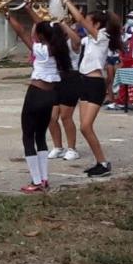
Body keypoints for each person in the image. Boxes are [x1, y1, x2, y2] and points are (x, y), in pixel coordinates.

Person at [6, 6, 71, 192]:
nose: (34, 31)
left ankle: (35, 181)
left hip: (36, 93)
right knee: (40, 136)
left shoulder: (40, 49)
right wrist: (28, 8)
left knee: (27, 136)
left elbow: (22, 31)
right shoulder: (58, 47)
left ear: (42, 36)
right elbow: (42, 27)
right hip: (51, 95)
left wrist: (8, 15)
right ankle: (43, 179)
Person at [65, 0, 123, 177]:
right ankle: (100, 162)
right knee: (85, 127)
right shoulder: (90, 39)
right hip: (84, 82)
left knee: (85, 126)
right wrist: (61, 23)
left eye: (89, 22)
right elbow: (75, 37)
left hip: (95, 85)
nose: (85, 24)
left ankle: (103, 162)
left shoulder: (102, 36)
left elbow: (81, 21)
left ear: (97, 24)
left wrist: (68, 2)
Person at [48, 20, 83, 161]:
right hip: (57, 79)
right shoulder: (55, 45)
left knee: (66, 116)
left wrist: (64, 24)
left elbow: (77, 40)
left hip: (72, 79)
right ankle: (58, 147)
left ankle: (72, 149)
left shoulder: (72, 44)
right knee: (51, 117)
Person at [108, 10, 133, 110]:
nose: (130, 19)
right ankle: (121, 101)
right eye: (129, 17)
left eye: (132, 18)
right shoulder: (126, 28)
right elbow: (123, 42)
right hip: (125, 57)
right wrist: (121, 54)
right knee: (122, 81)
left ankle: (132, 102)